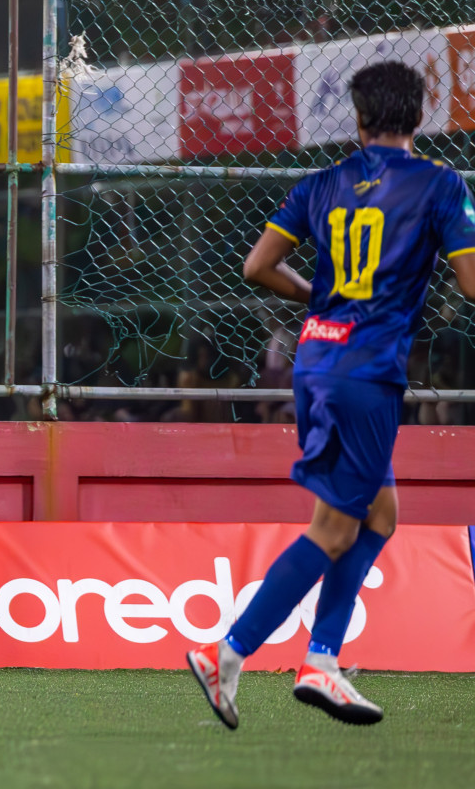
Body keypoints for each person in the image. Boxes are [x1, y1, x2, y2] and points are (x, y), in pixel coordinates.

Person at [187, 61, 475, 728]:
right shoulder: (440, 185)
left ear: (358, 117)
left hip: (317, 360)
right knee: (338, 526)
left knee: (381, 513)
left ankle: (322, 659)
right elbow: (470, 283)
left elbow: (257, 266)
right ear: (420, 115)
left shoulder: (320, 184)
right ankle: (226, 653)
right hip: (368, 371)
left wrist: (318, 298)